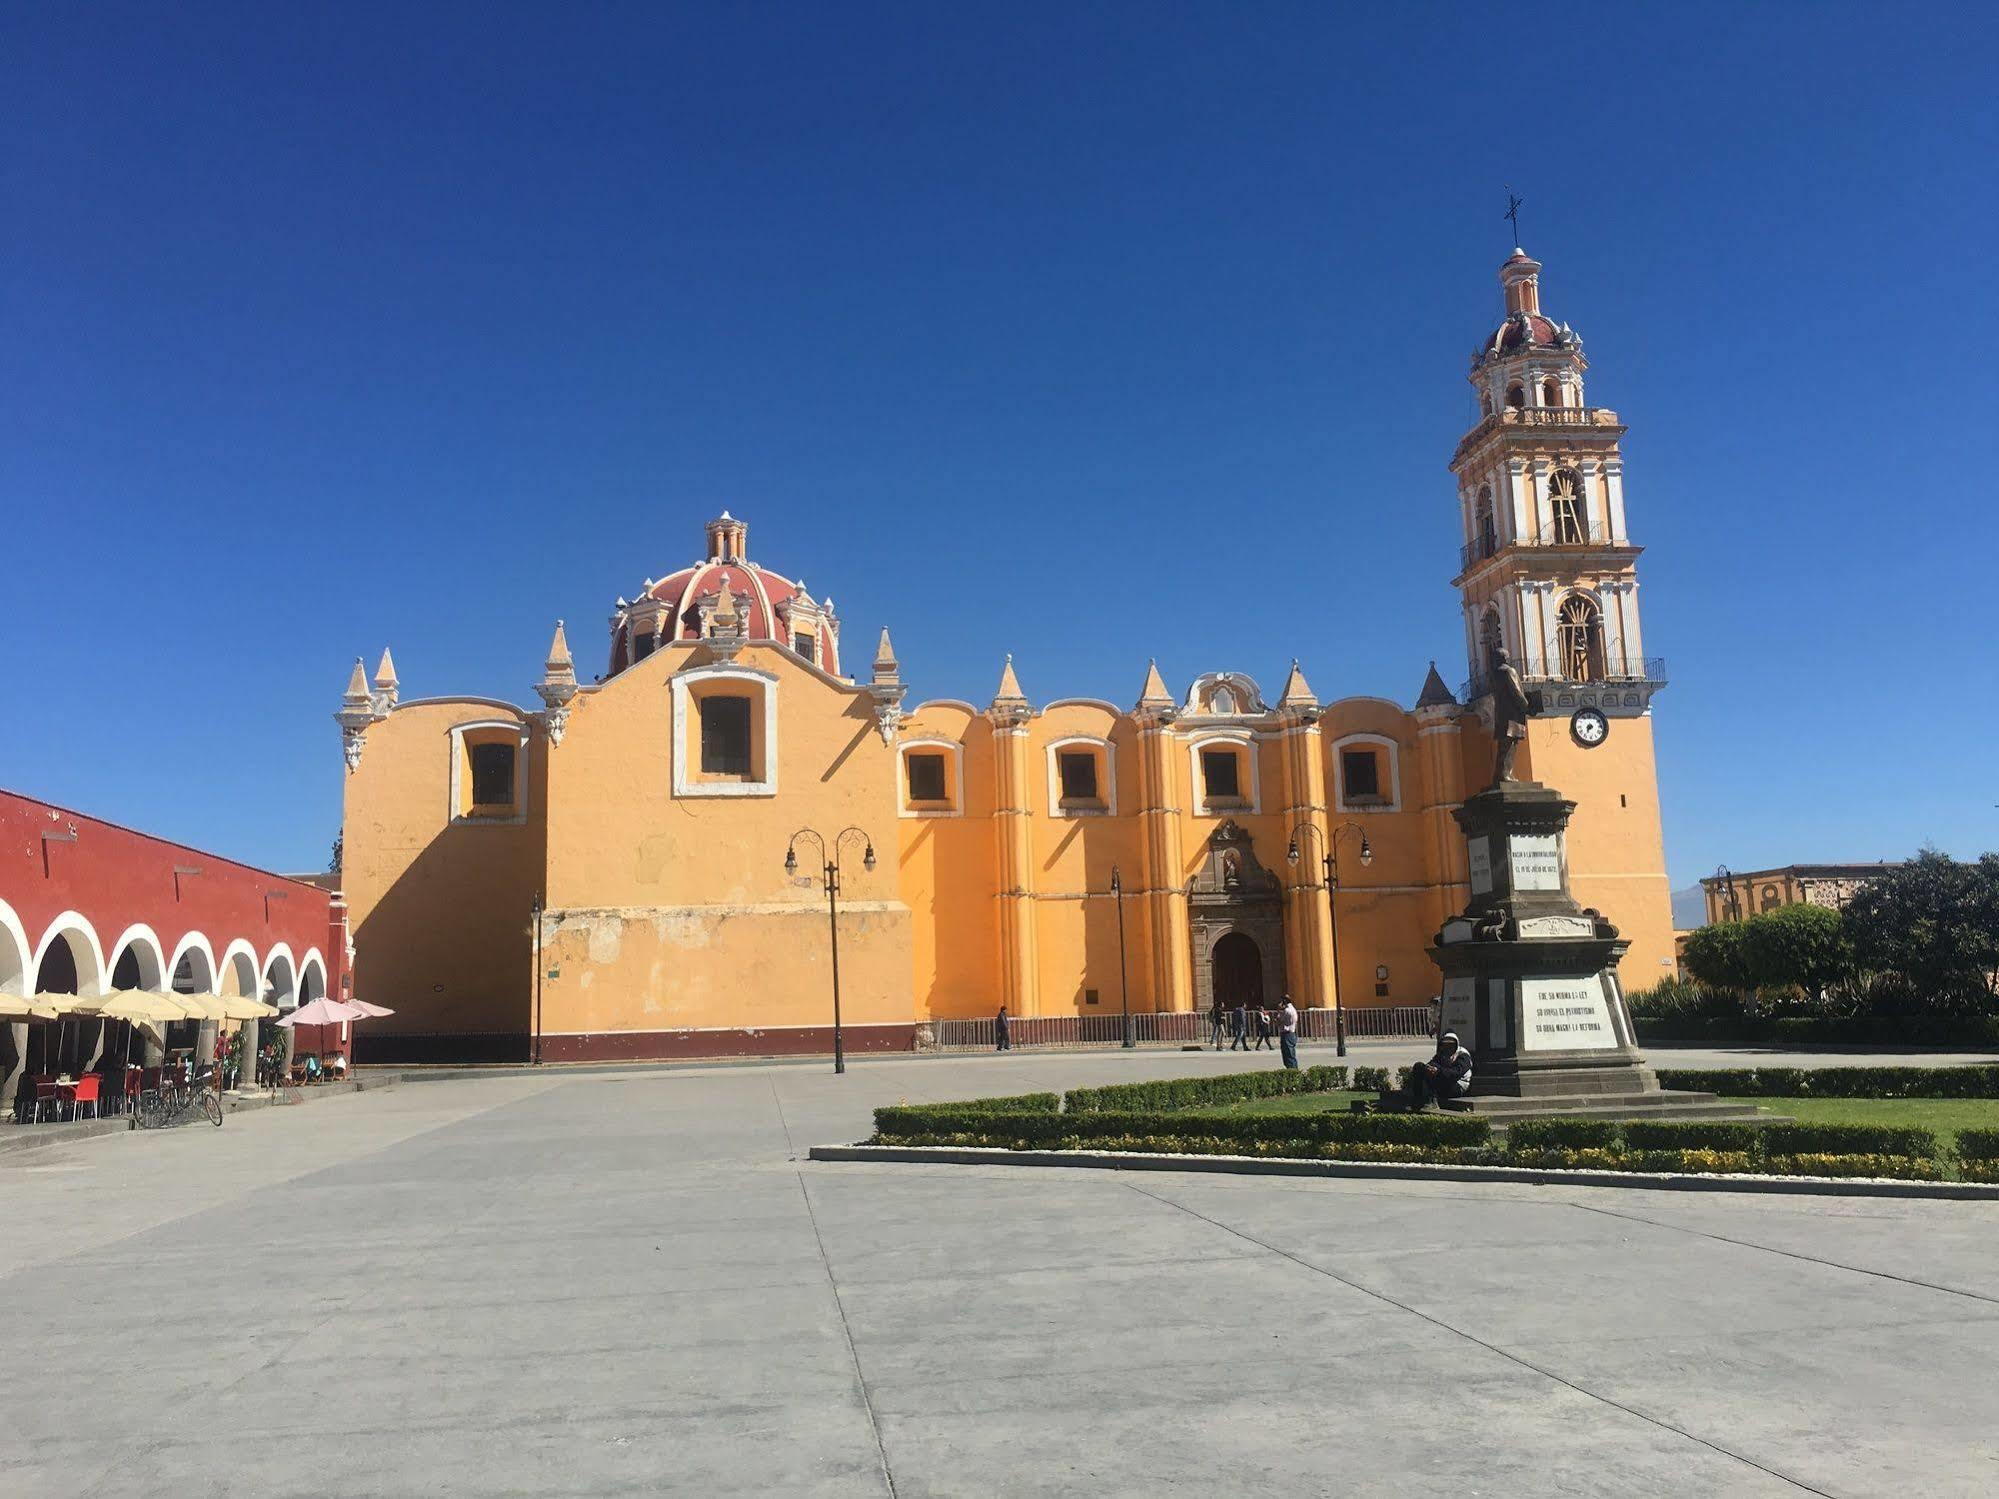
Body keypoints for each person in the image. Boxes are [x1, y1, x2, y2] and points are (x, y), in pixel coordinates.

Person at [1406, 1032, 1474, 1109]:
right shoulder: (1442, 1053)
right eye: (1445, 1045)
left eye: (1451, 1045)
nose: (1448, 1047)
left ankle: (1432, 1102)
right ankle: (1417, 1098)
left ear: (1456, 1045)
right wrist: (1430, 1068)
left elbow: (1456, 1073)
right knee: (1419, 1066)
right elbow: (1433, 1063)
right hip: (1444, 1080)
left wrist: (1438, 1071)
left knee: (1435, 1076)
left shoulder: (1463, 1055)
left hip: (1458, 1085)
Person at [1278, 995, 1299, 1070]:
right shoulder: (1293, 1009)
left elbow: (1279, 1020)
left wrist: (1279, 1010)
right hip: (1292, 1033)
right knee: (1291, 1054)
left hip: (1286, 1034)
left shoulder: (1287, 1010)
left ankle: (1292, 1071)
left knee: (1288, 1055)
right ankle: (1294, 1070)